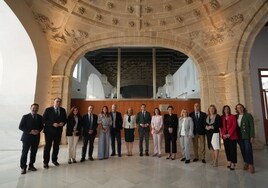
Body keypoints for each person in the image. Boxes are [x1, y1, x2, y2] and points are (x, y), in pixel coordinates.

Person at [19, 103, 44, 174]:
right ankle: (23, 167)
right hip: (26, 138)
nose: (35, 109)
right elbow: (21, 127)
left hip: (36, 138)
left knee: (33, 152)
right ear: (31, 108)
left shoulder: (40, 117)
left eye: (36, 108)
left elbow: (41, 126)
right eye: (34, 108)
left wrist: (38, 131)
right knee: (24, 153)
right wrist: (30, 131)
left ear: (38, 109)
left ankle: (31, 165)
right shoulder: (25, 116)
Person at [43, 98, 67, 169]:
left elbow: (65, 120)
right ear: (54, 102)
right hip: (49, 132)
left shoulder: (63, 110)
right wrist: (52, 124)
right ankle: (45, 162)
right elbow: (44, 120)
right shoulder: (48, 110)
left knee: (56, 147)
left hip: (58, 132)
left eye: (59, 102)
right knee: (47, 147)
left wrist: (63, 123)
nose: (58, 103)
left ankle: (54, 160)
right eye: (57, 101)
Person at [236, 103, 255, 173]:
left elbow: (252, 126)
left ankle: (251, 164)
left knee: (248, 149)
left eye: (240, 107)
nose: (239, 109)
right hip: (239, 136)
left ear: (243, 108)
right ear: (236, 109)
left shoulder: (248, 115)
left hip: (246, 135)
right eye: (238, 108)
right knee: (242, 149)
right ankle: (246, 162)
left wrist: (252, 136)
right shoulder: (236, 116)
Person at [221, 105, 238, 170]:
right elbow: (221, 127)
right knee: (227, 149)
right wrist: (223, 134)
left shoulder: (233, 116)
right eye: (225, 109)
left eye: (227, 109)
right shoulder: (222, 117)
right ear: (223, 110)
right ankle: (229, 161)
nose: (226, 110)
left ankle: (233, 163)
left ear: (229, 110)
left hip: (232, 136)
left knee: (232, 150)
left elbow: (234, 125)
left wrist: (229, 134)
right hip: (225, 136)